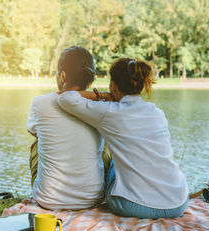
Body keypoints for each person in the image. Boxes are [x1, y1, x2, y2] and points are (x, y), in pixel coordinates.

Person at [57, 58, 189, 219]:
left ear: (113, 85)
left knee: (112, 160)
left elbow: (65, 98)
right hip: (178, 203)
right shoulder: (157, 113)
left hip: (132, 205)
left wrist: (102, 95)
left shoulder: (110, 112)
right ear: (140, 86)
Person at [27, 46, 106, 210]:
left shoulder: (40, 103)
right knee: (106, 147)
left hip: (48, 200)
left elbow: (33, 131)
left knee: (37, 143)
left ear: (62, 75)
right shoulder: (101, 105)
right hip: (91, 200)